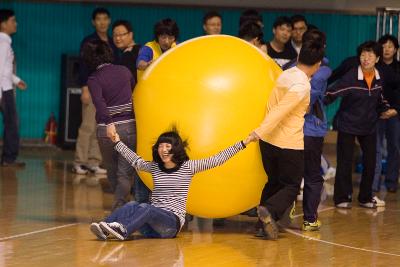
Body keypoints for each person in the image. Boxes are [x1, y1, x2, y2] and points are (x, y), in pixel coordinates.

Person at [90, 129, 257, 240]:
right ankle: (105, 227)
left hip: (170, 226)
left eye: (167, 146)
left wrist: (244, 143)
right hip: (149, 228)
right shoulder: (155, 167)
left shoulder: (188, 167)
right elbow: (135, 160)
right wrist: (116, 141)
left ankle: (123, 230)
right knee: (133, 203)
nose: (163, 149)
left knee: (146, 207)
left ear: (175, 149)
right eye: (160, 146)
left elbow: (218, 159)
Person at [251, 39, 325, 240]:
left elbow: (271, 105)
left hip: (268, 142)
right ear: (317, 65)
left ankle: (261, 226)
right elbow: (280, 110)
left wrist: (262, 133)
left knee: (273, 182)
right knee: (292, 186)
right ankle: (269, 211)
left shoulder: (286, 74)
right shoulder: (301, 86)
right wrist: (258, 131)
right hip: (288, 143)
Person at [324, 41, 396, 209]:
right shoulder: (351, 77)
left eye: (370, 55)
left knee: (371, 162)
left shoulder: (379, 77)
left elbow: (379, 98)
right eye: (363, 55)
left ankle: (365, 197)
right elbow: (331, 93)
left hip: (369, 125)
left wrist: (385, 109)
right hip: (347, 124)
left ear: (377, 58)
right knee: (345, 161)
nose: (366, 58)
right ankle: (342, 197)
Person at [81, 40, 149, 210]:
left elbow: (99, 102)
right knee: (125, 172)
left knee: (111, 171)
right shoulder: (125, 71)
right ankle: (120, 208)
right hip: (129, 127)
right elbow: (135, 93)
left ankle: (119, 208)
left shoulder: (94, 79)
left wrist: (109, 122)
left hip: (106, 129)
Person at [73, 7, 117, 175]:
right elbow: (83, 66)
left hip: (107, 92)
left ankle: (93, 161)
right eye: (98, 19)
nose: (102, 22)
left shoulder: (112, 42)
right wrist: (85, 88)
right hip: (92, 89)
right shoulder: (89, 41)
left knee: (101, 127)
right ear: (93, 22)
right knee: (87, 126)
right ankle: (79, 161)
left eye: (105, 18)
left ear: (109, 20)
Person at [373, 34, 400, 193]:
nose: (387, 49)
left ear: (396, 49)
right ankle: (374, 182)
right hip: (377, 113)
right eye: (383, 46)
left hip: (395, 113)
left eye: (390, 46)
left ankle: (391, 182)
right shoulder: (374, 68)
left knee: (395, 147)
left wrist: (394, 110)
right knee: (374, 148)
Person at [0, 9, 27, 167]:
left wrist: (16, 80)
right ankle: (9, 158)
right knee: (12, 123)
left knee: (12, 123)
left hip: (6, 87)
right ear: (3, 24)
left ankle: (9, 158)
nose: (15, 24)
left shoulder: (5, 42)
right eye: (13, 21)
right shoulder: (3, 43)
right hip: (4, 90)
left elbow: (5, 69)